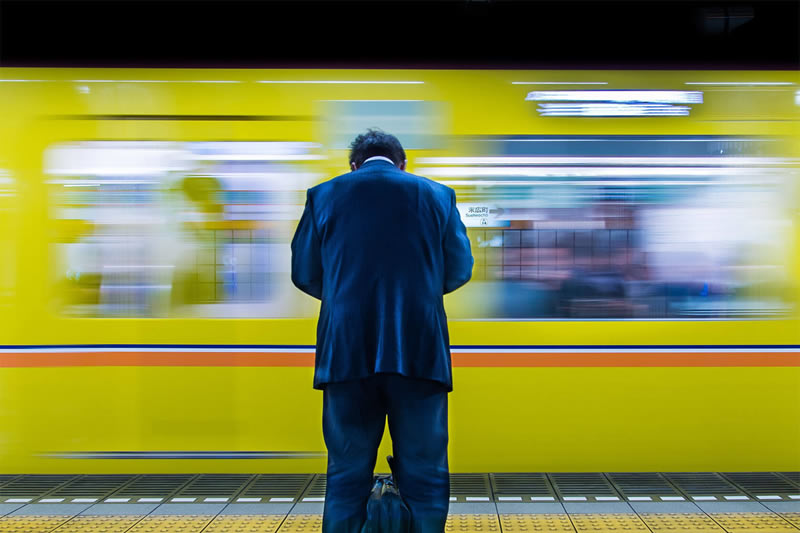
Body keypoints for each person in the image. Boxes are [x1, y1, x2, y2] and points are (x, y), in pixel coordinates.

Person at [291, 129, 473, 533]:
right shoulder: (438, 195)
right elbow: (460, 270)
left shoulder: (323, 195)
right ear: (402, 163)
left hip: (346, 354)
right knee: (425, 475)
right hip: (420, 352)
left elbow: (303, 274)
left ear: (353, 166)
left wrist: (345, 299)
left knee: (345, 476)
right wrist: (416, 293)